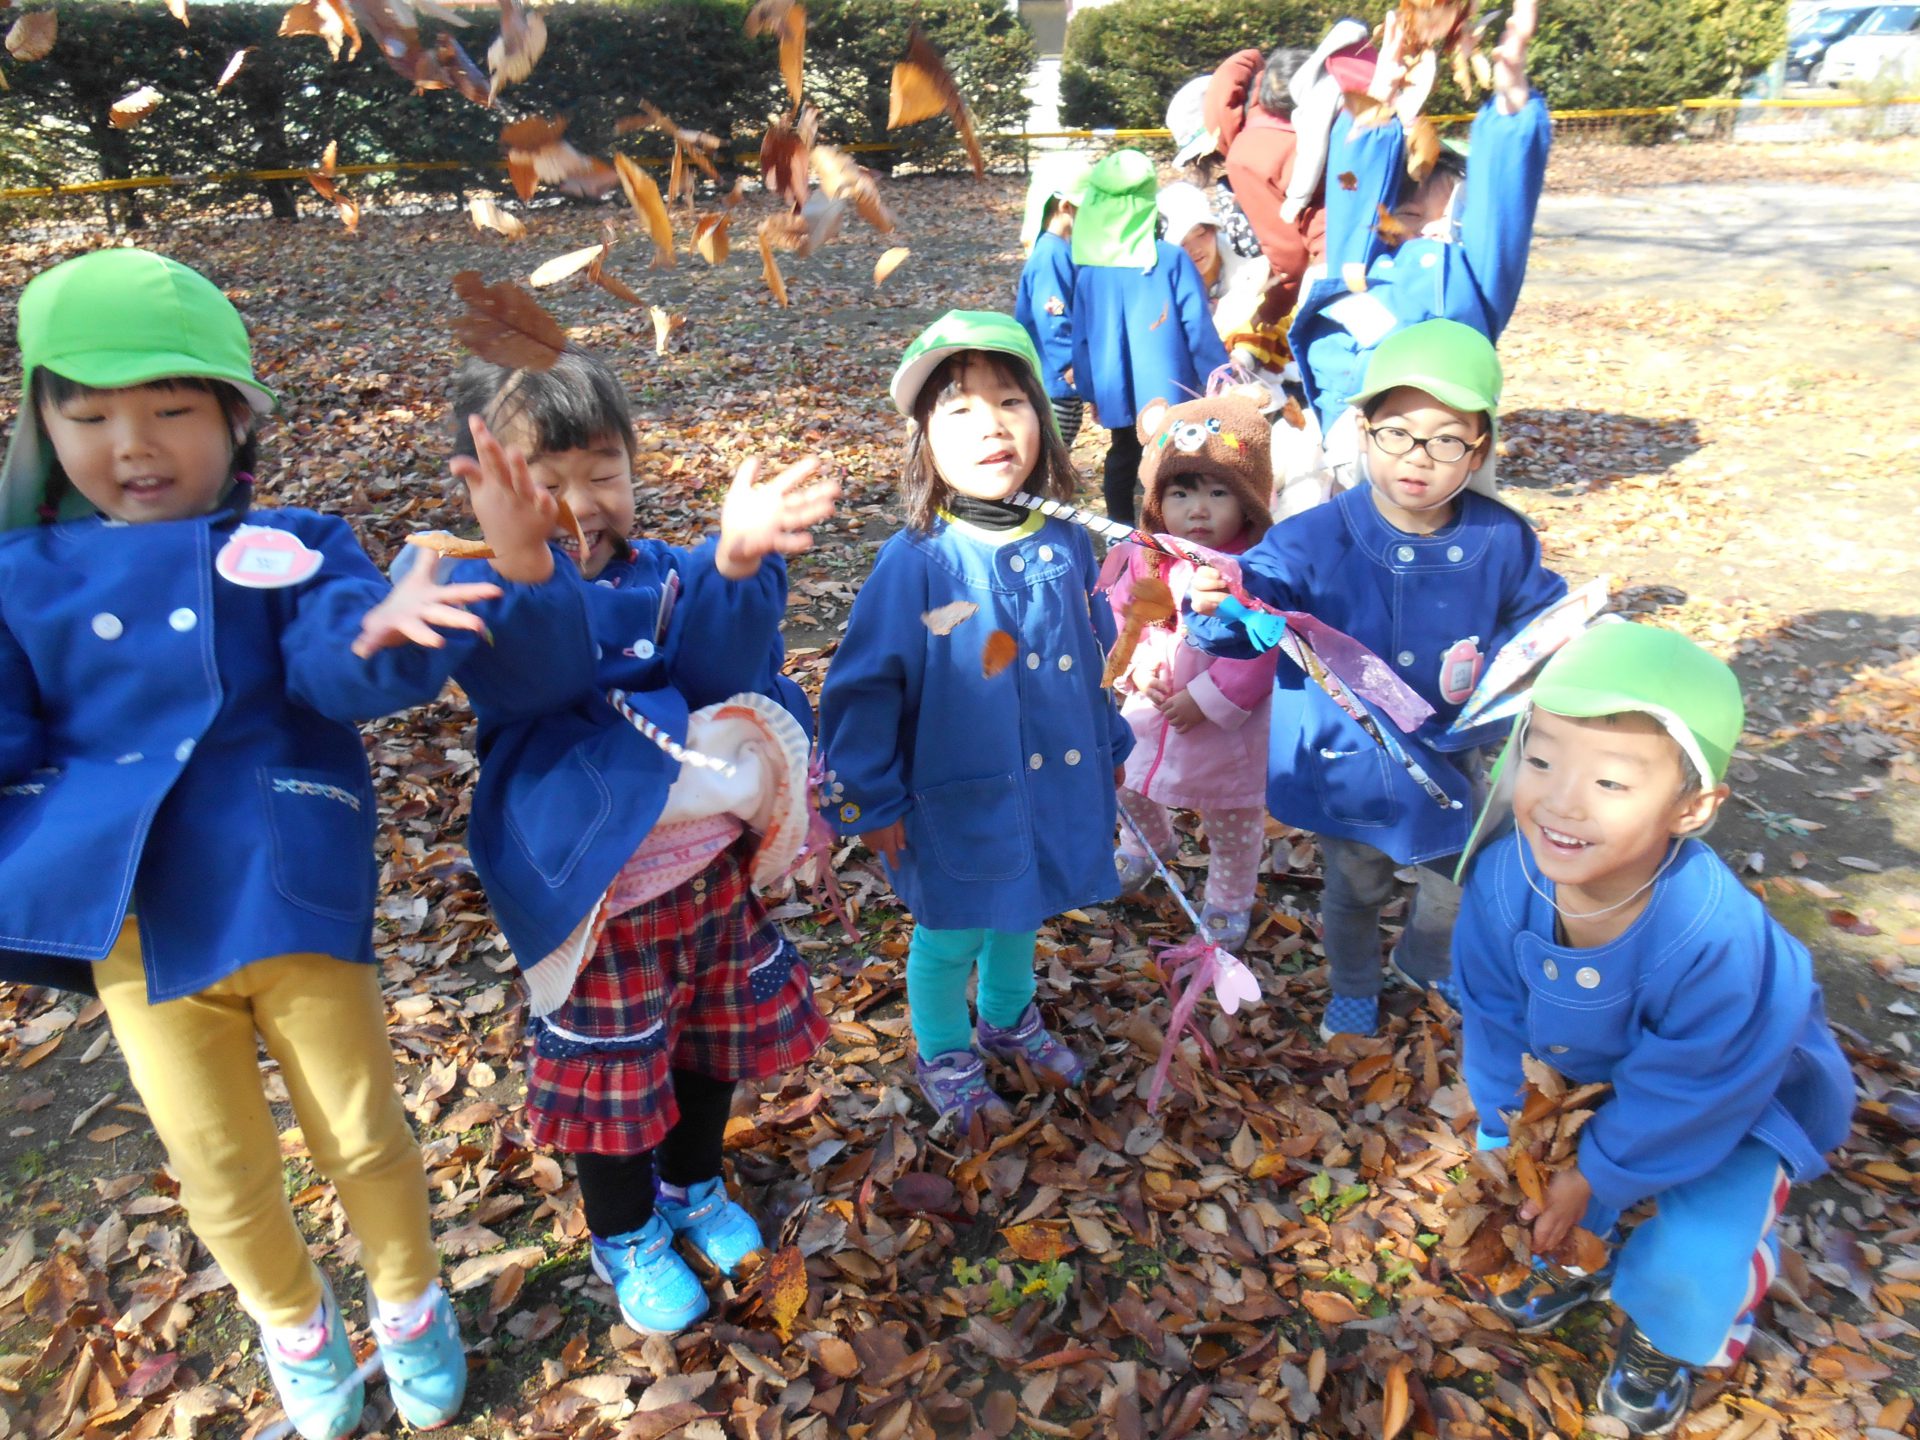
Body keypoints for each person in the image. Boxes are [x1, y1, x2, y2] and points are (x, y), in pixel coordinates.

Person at [0, 249, 583, 1439]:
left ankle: (410, 1302)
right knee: (214, 1161)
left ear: (236, 419)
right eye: (91, 416)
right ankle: (296, 1325)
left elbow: (335, 665)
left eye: (173, 410)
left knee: (360, 1130)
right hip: (135, 920)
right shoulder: (22, 577)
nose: (134, 445)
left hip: (283, 887)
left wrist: (385, 627)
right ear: (42, 427)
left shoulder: (292, 543)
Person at [433, 349, 839, 1335]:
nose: (581, 505)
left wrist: (734, 567)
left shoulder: (663, 574)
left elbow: (721, 676)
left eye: (602, 471)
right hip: (599, 902)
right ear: (487, 492)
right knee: (613, 1078)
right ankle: (623, 1232)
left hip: (704, 877)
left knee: (707, 1047)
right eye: (547, 481)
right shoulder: (484, 592)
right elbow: (542, 681)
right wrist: (526, 569)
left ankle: (693, 1182)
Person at [1453, 623, 1855, 1437]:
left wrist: (1596, 1170)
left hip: (1736, 1097)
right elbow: (1492, 1016)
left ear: (1692, 807)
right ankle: (1573, 1258)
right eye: (1541, 760)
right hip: (1590, 1078)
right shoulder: (1503, 879)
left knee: (1706, 1233)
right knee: (1542, 1180)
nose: (1562, 801)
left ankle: (1664, 1338)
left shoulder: (1716, 943)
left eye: (1610, 781)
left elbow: (1692, 1088)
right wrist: (1509, 1131)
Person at [1185, 319, 1565, 1039]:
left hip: (1451, 757)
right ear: (1363, 431)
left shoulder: (1499, 538)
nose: (1418, 457)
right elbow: (1253, 599)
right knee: (1356, 888)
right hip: (1353, 763)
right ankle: (1354, 984)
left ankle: (1425, 959)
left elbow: (1539, 618)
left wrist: (1556, 655)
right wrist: (1219, 600)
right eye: (1397, 433)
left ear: (1480, 448)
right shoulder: (1314, 537)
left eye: (1446, 440)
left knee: (1458, 883)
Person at [817, 312, 1132, 1130]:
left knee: (1024, 904)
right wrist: (868, 798)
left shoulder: (1068, 542)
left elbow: (1096, 649)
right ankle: (944, 1051)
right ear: (924, 439)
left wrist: (1112, 742)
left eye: (1010, 402)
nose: (990, 425)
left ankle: (1006, 1017)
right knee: (954, 927)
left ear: (1044, 422)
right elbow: (865, 687)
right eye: (959, 409)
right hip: (960, 788)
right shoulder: (920, 563)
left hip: (1052, 775)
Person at [1289, 0, 1550, 480]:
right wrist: (1378, 99)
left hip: (1451, 470)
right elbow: (1353, 193)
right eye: (1412, 216)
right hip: (1360, 457)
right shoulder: (1362, 268)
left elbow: (1503, 207)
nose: (1433, 229)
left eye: (1450, 218)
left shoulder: (1472, 286)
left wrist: (1512, 99)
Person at [1106, 392, 1280, 949]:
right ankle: (1145, 844)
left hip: (1226, 725)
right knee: (1128, 781)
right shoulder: (1150, 555)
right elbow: (1126, 615)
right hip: (1153, 702)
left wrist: (1206, 699)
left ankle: (1229, 899)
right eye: (1180, 494)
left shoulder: (1255, 569)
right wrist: (1136, 668)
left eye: (1217, 492)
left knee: (1231, 815)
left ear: (1249, 499)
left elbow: (1262, 648)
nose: (1197, 510)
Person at [1069, 151, 1229, 526]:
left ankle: (1120, 528)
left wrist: (1092, 392)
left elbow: (1082, 341)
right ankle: (1174, 528)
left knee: (1123, 453)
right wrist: (1219, 376)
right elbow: (1196, 325)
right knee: (1177, 457)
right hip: (1171, 389)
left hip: (1118, 387)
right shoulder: (1170, 260)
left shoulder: (1090, 272)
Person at [1014, 155, 1092, 447]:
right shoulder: (1051, 254)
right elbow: (1052, 317)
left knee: (1057, 449)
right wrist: (1070, 365)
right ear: (1066, 207)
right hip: (1054, 382)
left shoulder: (1059, 250)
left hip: (1060, 382)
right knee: (1051, 451)